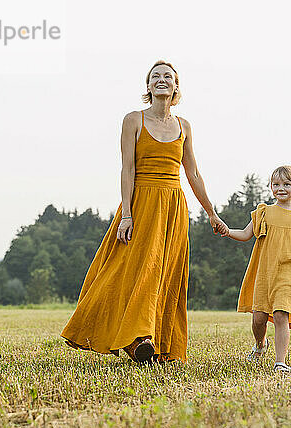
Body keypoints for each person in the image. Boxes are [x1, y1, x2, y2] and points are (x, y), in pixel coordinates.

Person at [61, 60, 228, 363]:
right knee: (132, 269)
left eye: (168, 77)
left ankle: (154, 344)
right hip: (141, 203)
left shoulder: (184, 126)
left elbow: (193, 173)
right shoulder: (133, 120)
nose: (161, 80)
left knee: (164, 273)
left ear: (176, 87)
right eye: (155, 77)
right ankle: (135, 337)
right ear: (148, 86)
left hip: (174, 207)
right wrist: (127, 213)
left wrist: (212, 213)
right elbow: (127, 169)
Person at [226, 165, 291, 373]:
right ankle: (260, 345)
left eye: (287, 184)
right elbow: (244, 234)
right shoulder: (264, 212)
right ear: (270, 187)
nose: (281, 188)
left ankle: (280, 362)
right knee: (258, 319)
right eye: (276, 184)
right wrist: (227, 230)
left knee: (280, 315)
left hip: (290, 274)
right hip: (265, 274)